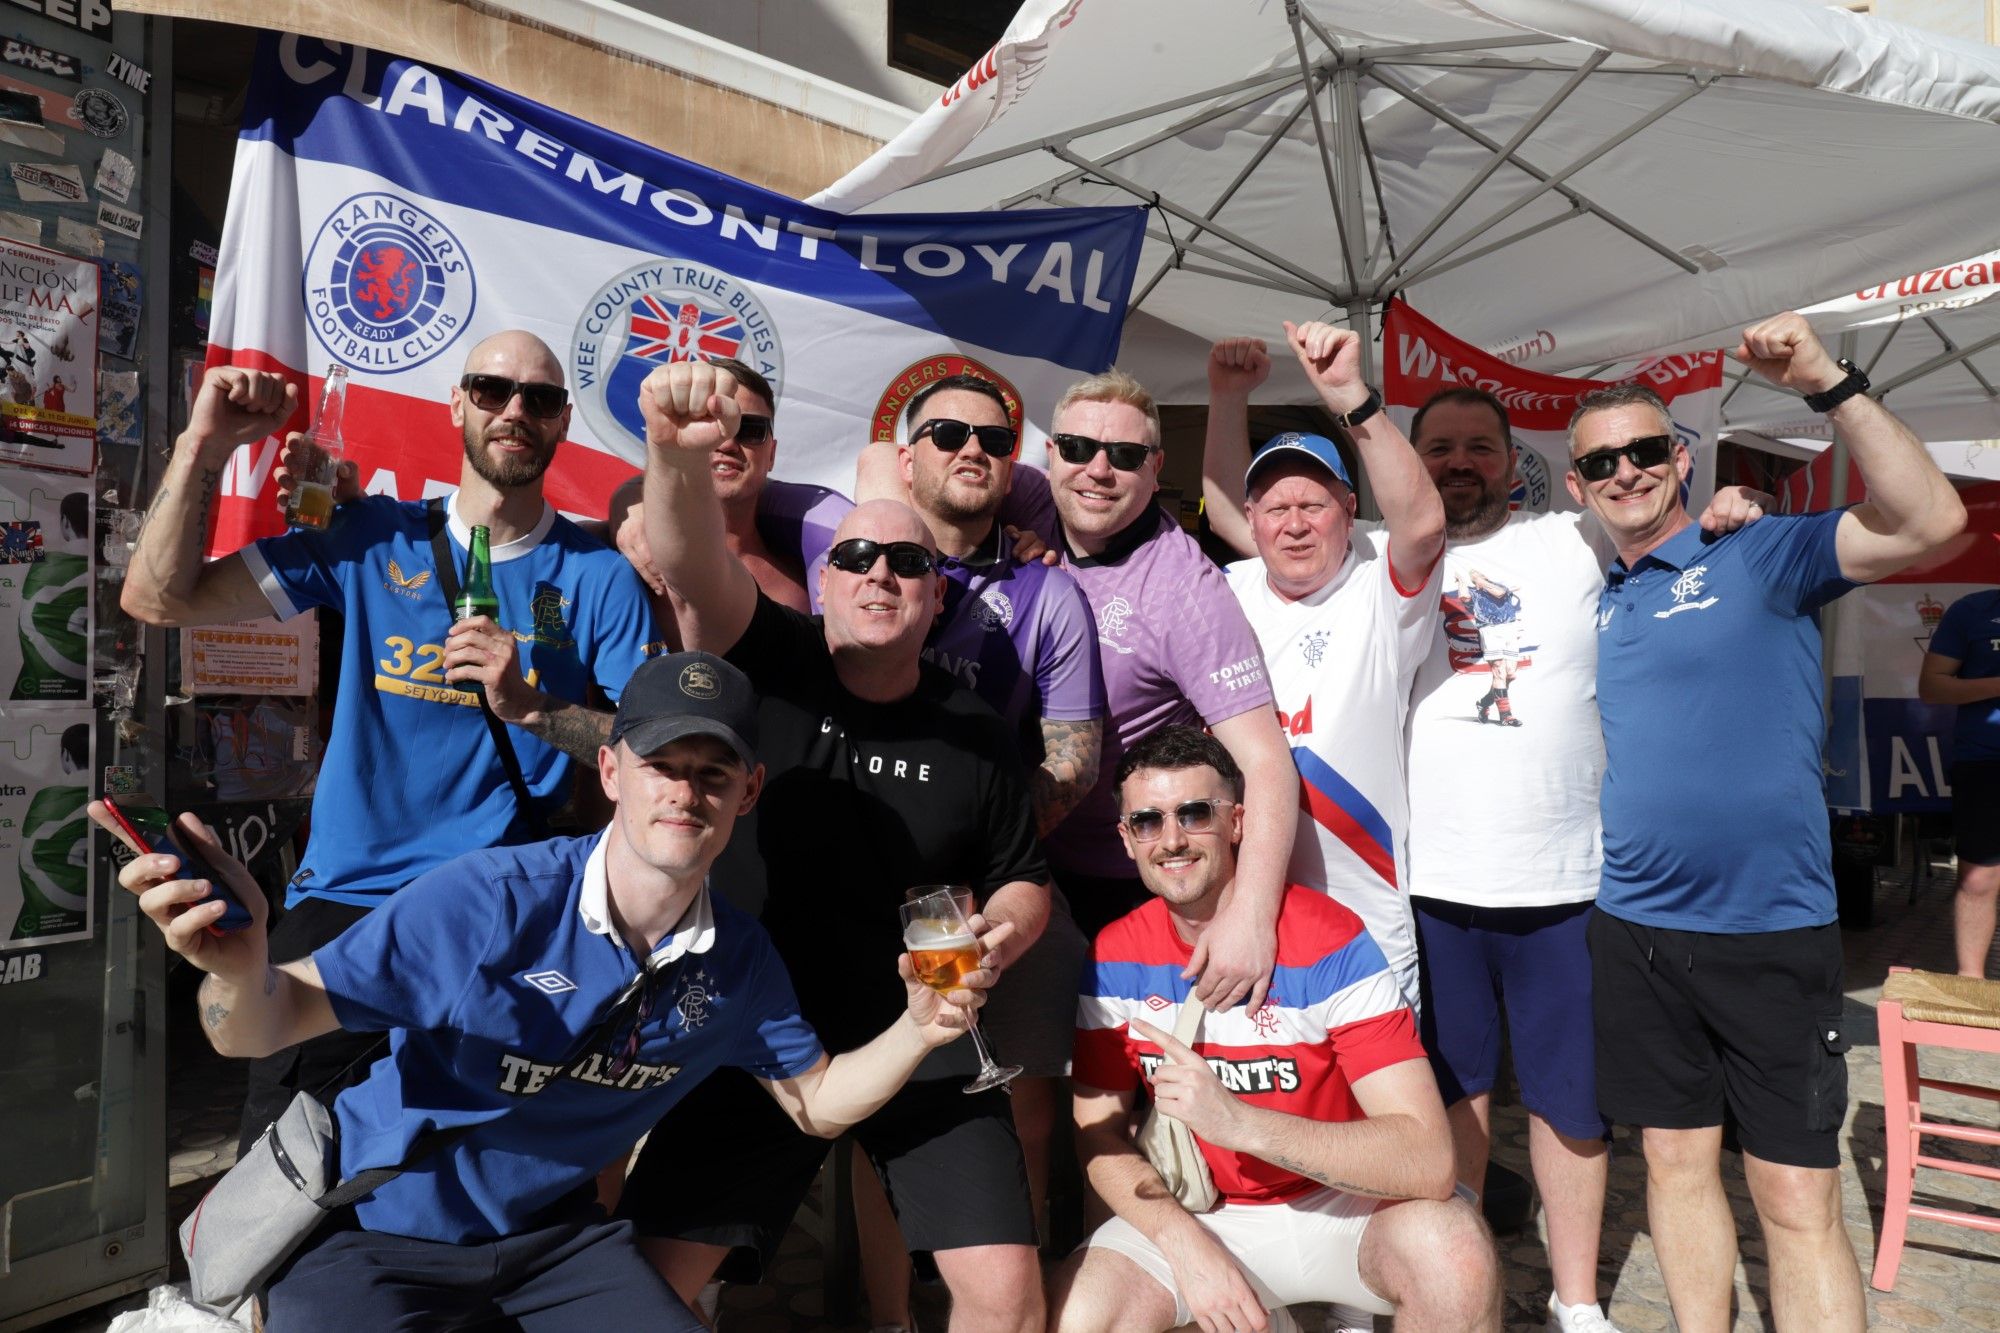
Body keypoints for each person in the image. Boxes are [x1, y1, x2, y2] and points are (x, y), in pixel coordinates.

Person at [112, 651, 996, 1331]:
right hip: (375, 1229)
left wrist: (921, 1028)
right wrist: (235, 969)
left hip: (553, 1243)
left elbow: (814, 1102)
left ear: (748, 792)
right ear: (613, 772)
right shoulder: (487, 901)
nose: (685, 791)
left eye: (713, 772)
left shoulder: (740, 960)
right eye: (662, 763)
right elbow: (267, 1020)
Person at [122, 332, 657, 1151]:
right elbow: (158, 598)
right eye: (491, 389)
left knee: (476, 1171)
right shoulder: (372, 536)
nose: (514, 410)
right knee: (287, 1170)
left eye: (539, 400)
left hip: (501, 914)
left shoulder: (595, 575)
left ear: (561, 424)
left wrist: (534, 708)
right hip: (348, 904)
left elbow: (650, 751)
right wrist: (208, 442)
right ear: (457, 404)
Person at [623, 358, 1051, 1332]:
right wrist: (673, 455)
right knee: (641, 1287)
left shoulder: (974, 725)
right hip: (760, 1029)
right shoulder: (770, 655)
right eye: (856, 558)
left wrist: (995, 939)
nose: (880, 576)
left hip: (921, 1029)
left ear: (937, 598)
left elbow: (1021, 877)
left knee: (1007, 1299)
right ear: (822, 583)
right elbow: (690, 562)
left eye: (906, 564)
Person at [1573, 312, 1965, 1333]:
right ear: (1574, 486)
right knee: (1669, 1160)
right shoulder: (1605, 598)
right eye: (1600, 461)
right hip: (1636, 932)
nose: (1624, 471)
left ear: (1681, 456)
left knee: (1794, 1198)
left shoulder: (1757, 553)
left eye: (1643, 450)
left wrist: (1825, 384)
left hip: (1768, 933)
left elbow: (1930, 521)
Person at [1053, 725, 1499, 1332]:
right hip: (1204, 1213)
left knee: (1456, 1254)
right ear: (1126, 840)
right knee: (1083, 1314)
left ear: (1237, 822)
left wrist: (1238, 1123)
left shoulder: (1328, 939)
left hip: (1341, 1202)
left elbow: (1427, 1160)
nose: (1173, 839)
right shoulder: (1113, 957)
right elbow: (1097, 1138)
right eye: (1149, 821)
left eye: (1194, 813)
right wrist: (1185, 1246)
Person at [855, 368, 1106, 1327]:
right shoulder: (855, 553)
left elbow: (1072, 762)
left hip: (1003, 883)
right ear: (905, 454)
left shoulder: (1047, 591)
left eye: (995, 439)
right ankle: (889, 1316)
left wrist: (983, 862)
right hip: (868, 889)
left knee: (1024, 1115)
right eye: (949, 433)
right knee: (878, 1113)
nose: (974, 449)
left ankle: (1014, 1303)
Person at [991, 368, 1298, 1017]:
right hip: (1025, 863)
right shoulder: (1030, 501)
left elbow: (1267, 762)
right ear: (1049, 455)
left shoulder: (1186, 586)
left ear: (1156, 468)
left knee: (1132, 1087)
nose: (1097, 469)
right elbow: (889, 465)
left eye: (1124, 456)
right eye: (1077, 448)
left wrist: (1250, 914)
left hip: (1131, 881)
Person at [1200, 326, 1445, 1009]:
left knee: (1385, 1110)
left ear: (1349, 511)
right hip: (1246, 906)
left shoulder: (1378, 589)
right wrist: (1226, 398)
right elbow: (1221, 508)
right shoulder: (1237, 585)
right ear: (1253, 520)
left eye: (1313, 504)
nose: (1295, 523)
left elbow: (1423, 526)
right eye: (1276, 508)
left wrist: (1350, 398)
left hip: (1361, 910)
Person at [603, 354, 849, 621]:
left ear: (771, 455)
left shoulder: (802, 582)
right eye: (709, 423)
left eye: (750, 429)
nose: (727, 444)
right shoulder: (624, 551)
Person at [1918, 585, 2000, 977]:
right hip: (1986, 761)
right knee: (1979, 877)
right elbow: (1931, 686)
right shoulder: (1973, 611)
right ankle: (1971, 984)